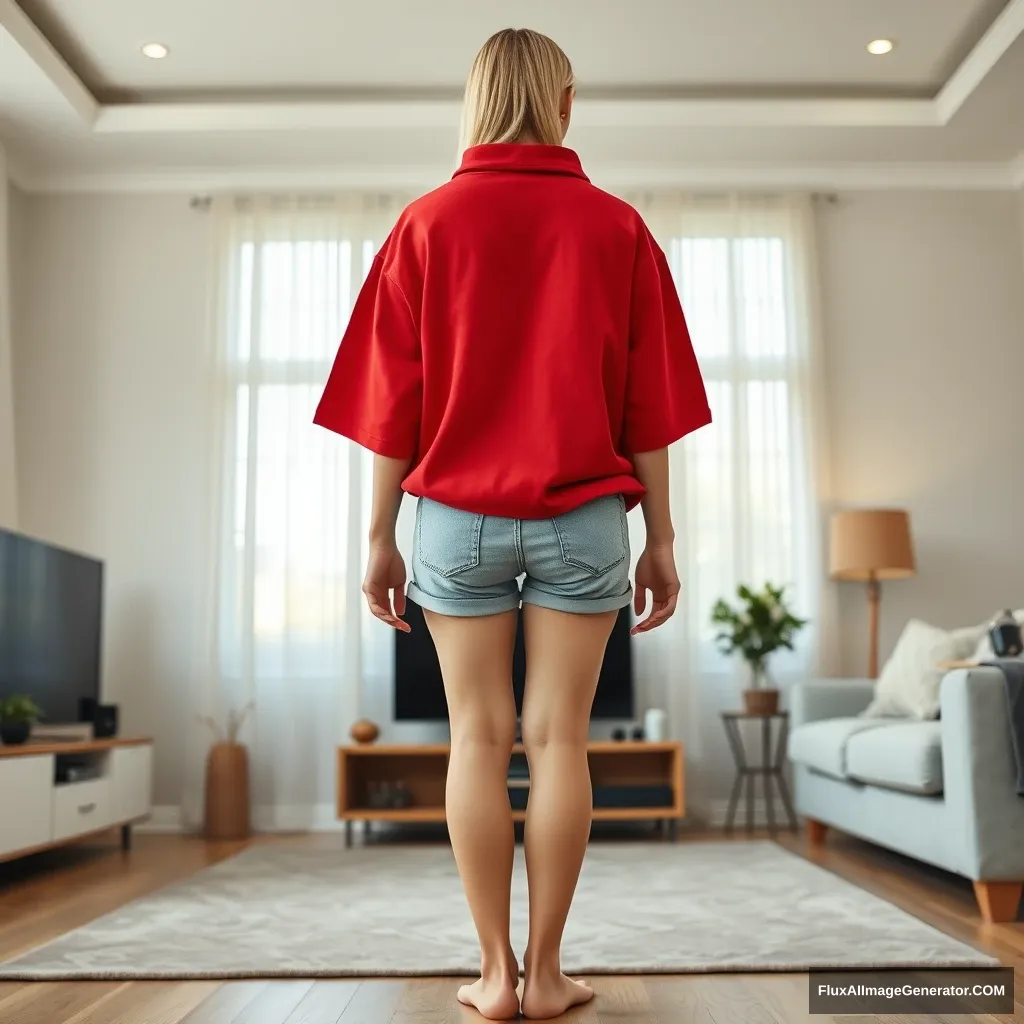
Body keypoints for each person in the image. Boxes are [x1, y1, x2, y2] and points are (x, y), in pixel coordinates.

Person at [314, 27, 711, 1021]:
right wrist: (660, 536)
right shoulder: (616, 228)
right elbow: (648, 406)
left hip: (452, 518)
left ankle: (492, 976)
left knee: (477, 739)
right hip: (583, 515)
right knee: (559, 739)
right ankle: (547, 973)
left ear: (476, 101)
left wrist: (377, 534)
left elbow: (389, 406)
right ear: (564, 104)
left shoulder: (425, 224)